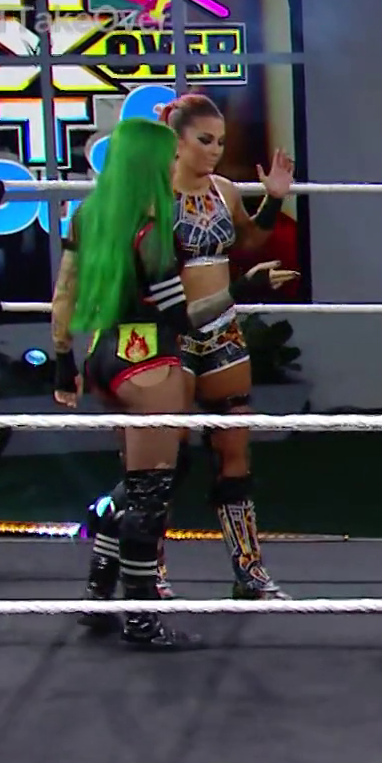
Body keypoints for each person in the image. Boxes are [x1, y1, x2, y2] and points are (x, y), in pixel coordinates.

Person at [79, 94, 299, 606]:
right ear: (175, 142)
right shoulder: (148, 199)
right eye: (205, 140)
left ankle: (250, 572)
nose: (215, 150)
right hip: (166, 337)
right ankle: (150, 573)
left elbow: (247, 241)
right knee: (161, 463)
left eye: (221, 141)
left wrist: (273, 199)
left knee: (233, 450)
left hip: (221, 332)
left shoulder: (224, 191)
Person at [51, 119, 238, 649]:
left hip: (105, 352)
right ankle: (141, 620)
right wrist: (241, 287)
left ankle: (98, 592)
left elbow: (63, 296)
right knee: (150, 496)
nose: (175, 165)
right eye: (168, 157)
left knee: (145, 482)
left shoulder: (88, 215)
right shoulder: (152, 228)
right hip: (149, 357)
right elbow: (184, 317)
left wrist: (62, 362)